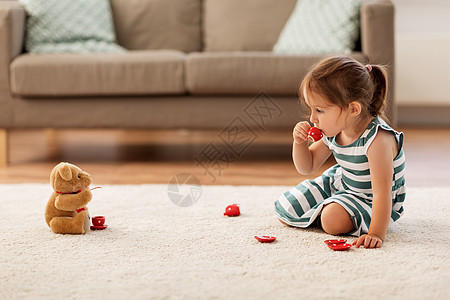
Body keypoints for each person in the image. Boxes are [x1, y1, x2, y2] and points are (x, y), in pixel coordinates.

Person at [274, 56, 406, 249]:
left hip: (372, 199)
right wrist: (299, 143)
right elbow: (307, 166)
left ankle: (331, 211)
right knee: (288, 206)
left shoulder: (378, 140)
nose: (312, 118)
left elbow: (382, 194)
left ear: (353, 109)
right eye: (311, 110)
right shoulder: (335, 130)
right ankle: (331, 207)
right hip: (343, 184)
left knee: (331, 220)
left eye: (319, 110)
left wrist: (376, 233)